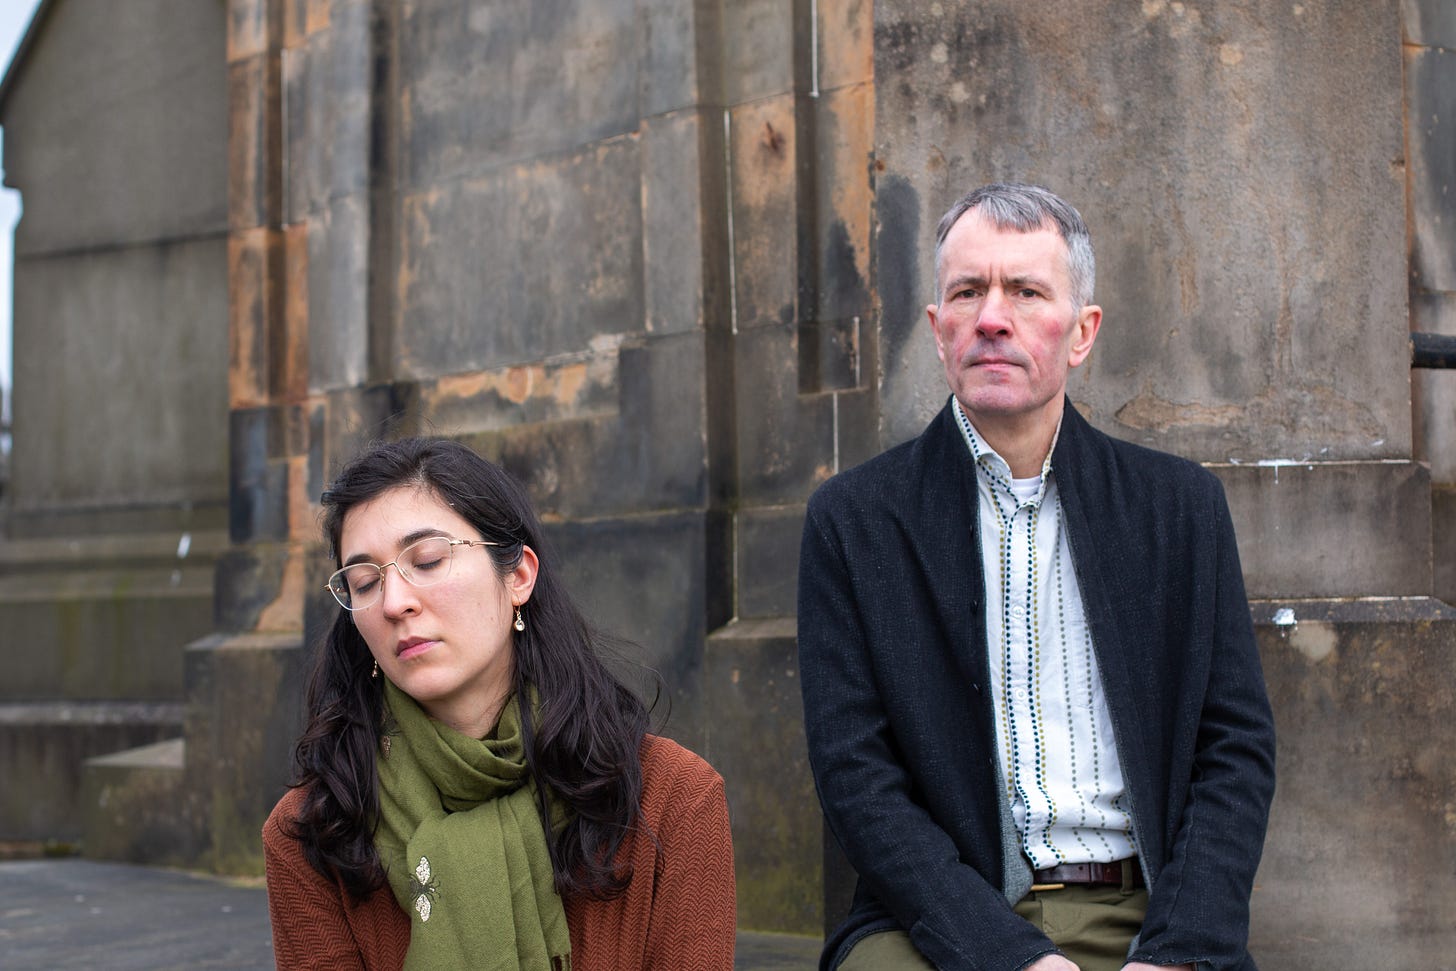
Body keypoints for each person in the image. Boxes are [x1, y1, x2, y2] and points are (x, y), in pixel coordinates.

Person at [797, 183, 1275, 971]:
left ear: (1081, 332)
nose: (992, 316)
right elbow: (857, 778)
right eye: (967, 291)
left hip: (1148, 913)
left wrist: (1180, 949)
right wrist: (1007, 955)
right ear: (938, 328)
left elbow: (1236, 749)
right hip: (942, 921)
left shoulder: (1179, 508)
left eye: (1025, 290)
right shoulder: (855, 523)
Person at [263, 437, 736, 970]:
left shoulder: (674, 799)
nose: (395, 602)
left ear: (518, 576)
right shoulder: (315, 829)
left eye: (428, 559)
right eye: (366, 582)